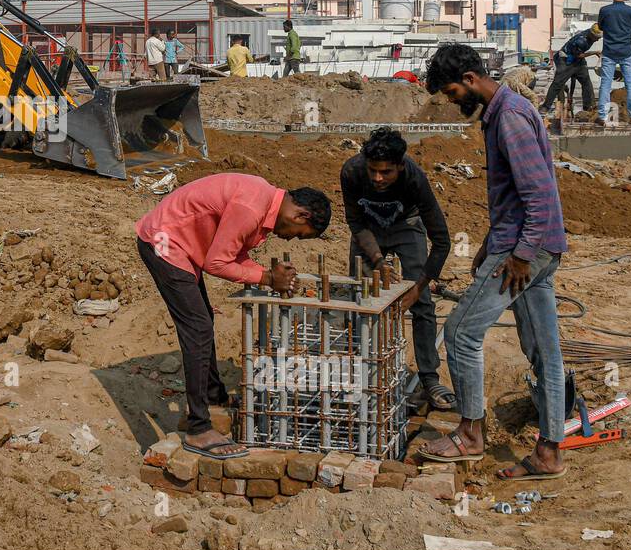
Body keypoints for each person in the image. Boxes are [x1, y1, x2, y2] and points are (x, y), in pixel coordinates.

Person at [421, 43, 568, 481]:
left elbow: (538, 195)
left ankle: (469, 435)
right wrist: (490, 241)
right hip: (536, 245)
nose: (452, 102)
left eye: (451, 92)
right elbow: (517, 196)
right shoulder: (509, 111)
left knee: (461, 332)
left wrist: (518, 255)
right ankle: (549, 453)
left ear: (470, 79)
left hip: (525, 251)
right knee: (545, 353)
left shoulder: (508, 119)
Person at [136, 175, 332, 459]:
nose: (290, 237)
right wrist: (266, 277)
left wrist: (268, 276)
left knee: (203, 323)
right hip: (164, 242)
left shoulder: (262, 199)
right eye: (299, 233)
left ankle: (213, 398)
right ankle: (199, 428)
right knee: (198, 328)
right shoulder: (252, 208)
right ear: (301, 214)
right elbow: (217, 262)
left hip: (180, 243)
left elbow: (233, 252)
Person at [340, 127, 454, 409]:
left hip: (407, 225)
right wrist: (378, 260)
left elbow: (441, 240)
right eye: (373, 171)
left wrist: (417, 288)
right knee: (362, 300)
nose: (378, 178)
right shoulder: (352, 172)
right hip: (369, 228)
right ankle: (361, 372)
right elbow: (356, 223)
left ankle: (429, 379)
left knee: (423, 306)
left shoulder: (415, 179)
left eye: (386, 172)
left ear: (400, 166)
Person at [596, 0, 631, 126]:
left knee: (605, 84)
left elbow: (601, 27)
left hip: (609, 51)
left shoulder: (604, 10)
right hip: (626, 51)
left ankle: (602, 117)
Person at [540, 24, 601, 116]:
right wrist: (594, 53)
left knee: (586, 82)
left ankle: (588, 106)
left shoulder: (591, 34)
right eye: (596, 37)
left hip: (577, 59)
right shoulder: (581, 40)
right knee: (558, 83)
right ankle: (545, 106)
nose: (598, 39)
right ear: (592, 35)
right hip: (566, 60)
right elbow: (579, 55)